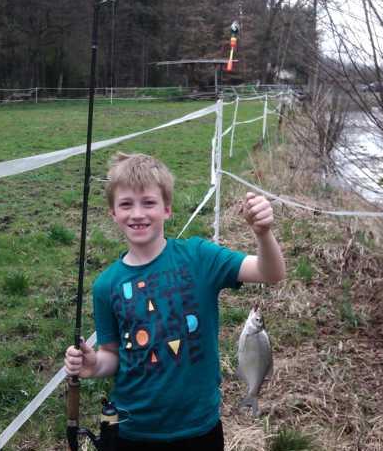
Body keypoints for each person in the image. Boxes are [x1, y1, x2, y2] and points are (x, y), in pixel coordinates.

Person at [64, 152, 285, 450]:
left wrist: (263, 233)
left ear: (167, 209)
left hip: (199, 428)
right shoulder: (106, 285)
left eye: (148, 203)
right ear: (113, 213)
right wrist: (94, 365)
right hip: (131, 431)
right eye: (126, 204)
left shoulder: (199, 257)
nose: (137, 213)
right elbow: (112, 355)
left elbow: (270, 273)